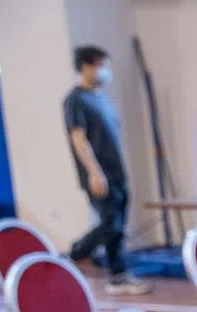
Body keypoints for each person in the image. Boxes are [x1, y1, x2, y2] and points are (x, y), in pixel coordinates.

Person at [63, 45, 150, 296]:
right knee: (110, 225)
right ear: (85, 66)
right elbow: (79, 139)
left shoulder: (101, 98)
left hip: (117, 172)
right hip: (99, 175)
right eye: (100, 65)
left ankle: (119, 276)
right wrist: (94, 172)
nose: (104, 71)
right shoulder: (75, 100)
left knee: (118, 227)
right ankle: (74, 254)